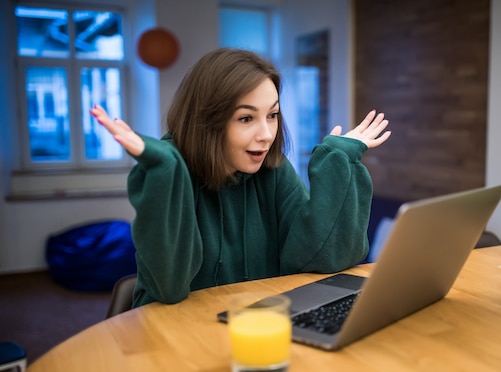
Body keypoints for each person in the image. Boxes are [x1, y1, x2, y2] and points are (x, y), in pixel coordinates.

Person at [90, 48, 391, 308]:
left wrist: (337, 161)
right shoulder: (174, 171)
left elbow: (323, 257)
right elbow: (168, 289)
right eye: (246, 118)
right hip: (177, 334)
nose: (266, 135)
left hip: (257, 324)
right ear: (208, 123)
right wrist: (166, 173)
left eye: (272, 115)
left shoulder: (273, 170)